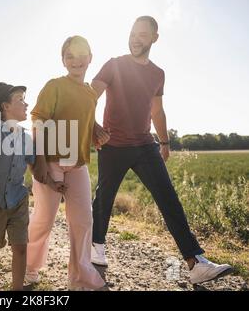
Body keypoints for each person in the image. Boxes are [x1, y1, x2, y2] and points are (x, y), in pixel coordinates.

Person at [90, 16, 233, 284]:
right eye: (133, 32)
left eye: (142, 34)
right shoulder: (114, 65)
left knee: (168, 198)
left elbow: (157, 109)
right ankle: (96, 248)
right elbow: (89, 96)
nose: (135, 38)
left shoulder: (158, 73)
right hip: (113, 145)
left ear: (154, 38)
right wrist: (93, 126)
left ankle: (195, 263)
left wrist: (165, 142)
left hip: (145, 145)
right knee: (104, 197)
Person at [0, 82, 67, 291]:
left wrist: (52, 183)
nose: (26, 103)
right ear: (5, 107)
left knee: (21, 247)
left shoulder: (26, 138)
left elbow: (34, 168)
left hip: (17, 199)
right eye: (20, 100)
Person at [26, 36, 106, 290]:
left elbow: (86, 116)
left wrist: (96, 129)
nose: (76, 60)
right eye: (69, 56)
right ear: (63, 60)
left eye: (81, 55)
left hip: (78, 163)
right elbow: (38, 120)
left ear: (90, 58)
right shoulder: (55, 86)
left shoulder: (91, 93)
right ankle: (29, 268)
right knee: (44, 219)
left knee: (83, 220)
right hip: (50, 162)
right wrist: (38, 162)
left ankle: (81, 278)